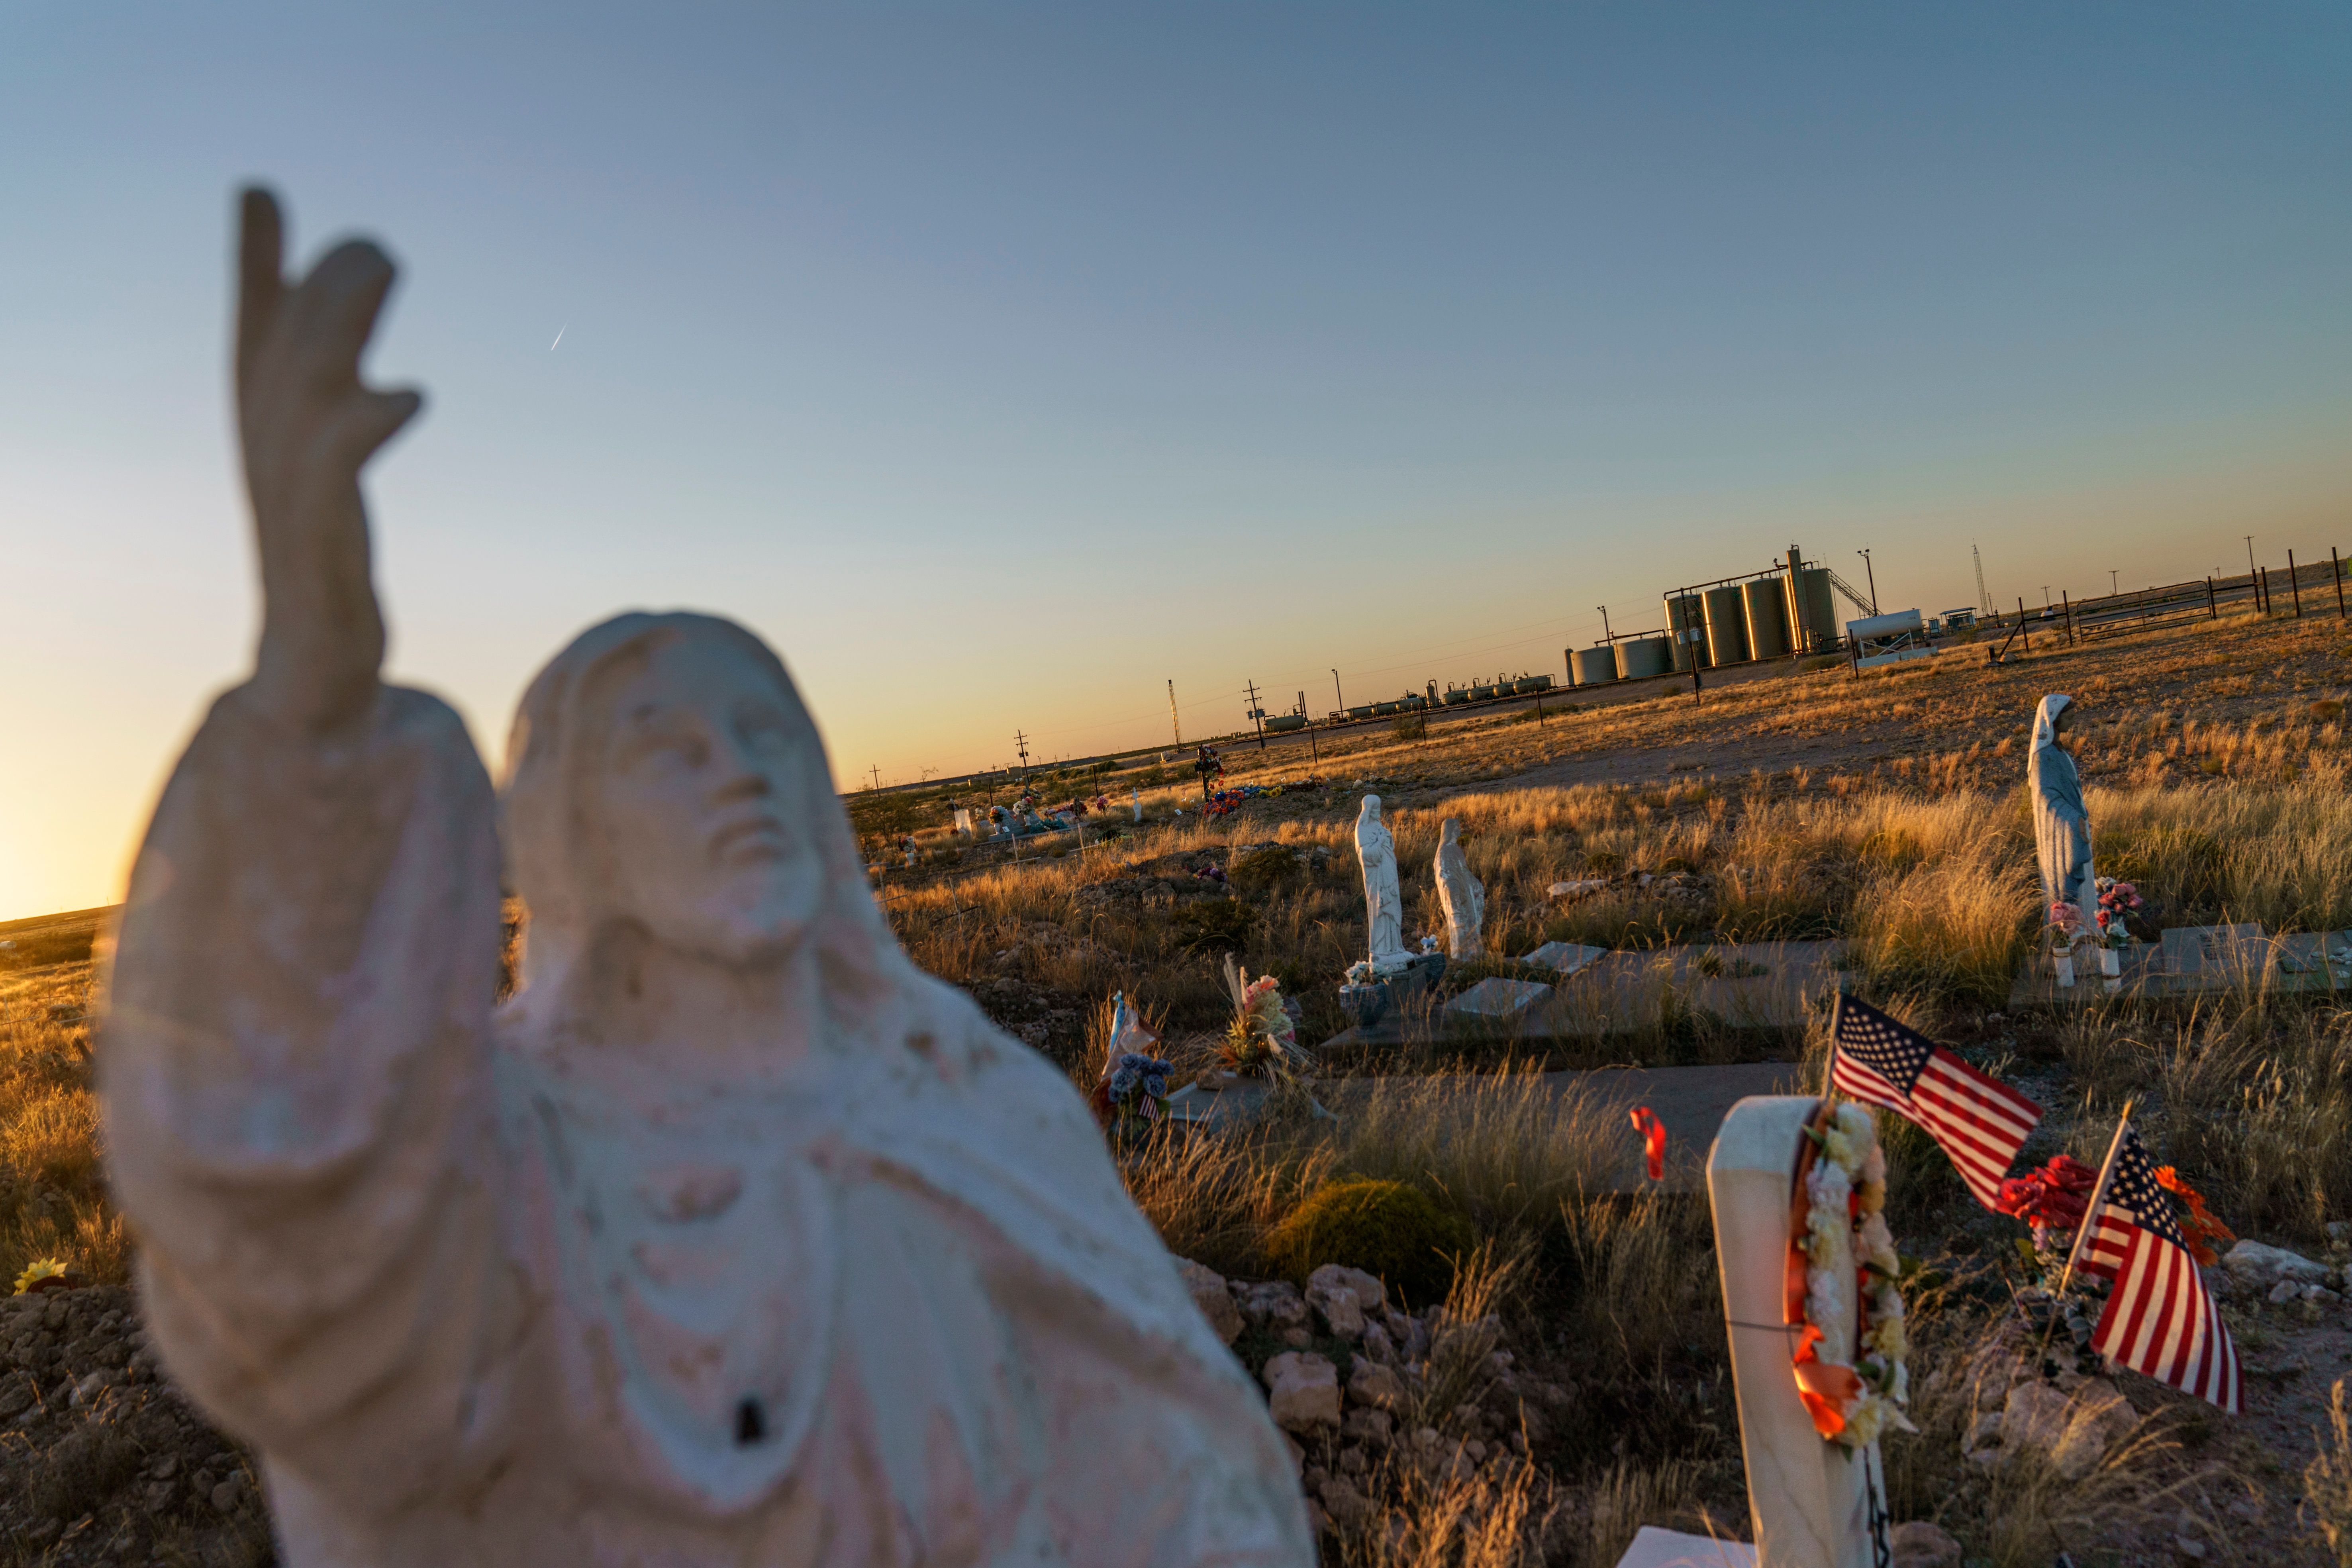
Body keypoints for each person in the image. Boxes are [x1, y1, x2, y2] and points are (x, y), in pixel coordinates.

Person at [100, 188, 1309, 1568]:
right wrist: (315, 706)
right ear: (572, 834)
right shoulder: (512, 1166)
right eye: (665, 750)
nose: (737, 773)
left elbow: (1190, 1481)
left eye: (763, 736)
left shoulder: (972, 1107)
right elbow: (294, 1265)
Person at [2029, 694, 2098, 936]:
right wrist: (2072, 818)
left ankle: (2085, 933)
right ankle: (2068, 939)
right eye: (2068, 716)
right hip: (2064, 829)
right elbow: (2045, 797)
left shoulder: (2059, 752)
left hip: (2077, 826)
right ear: (2054, 719)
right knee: (2065, 885)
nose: (2072, 721)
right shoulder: (2043, 757)